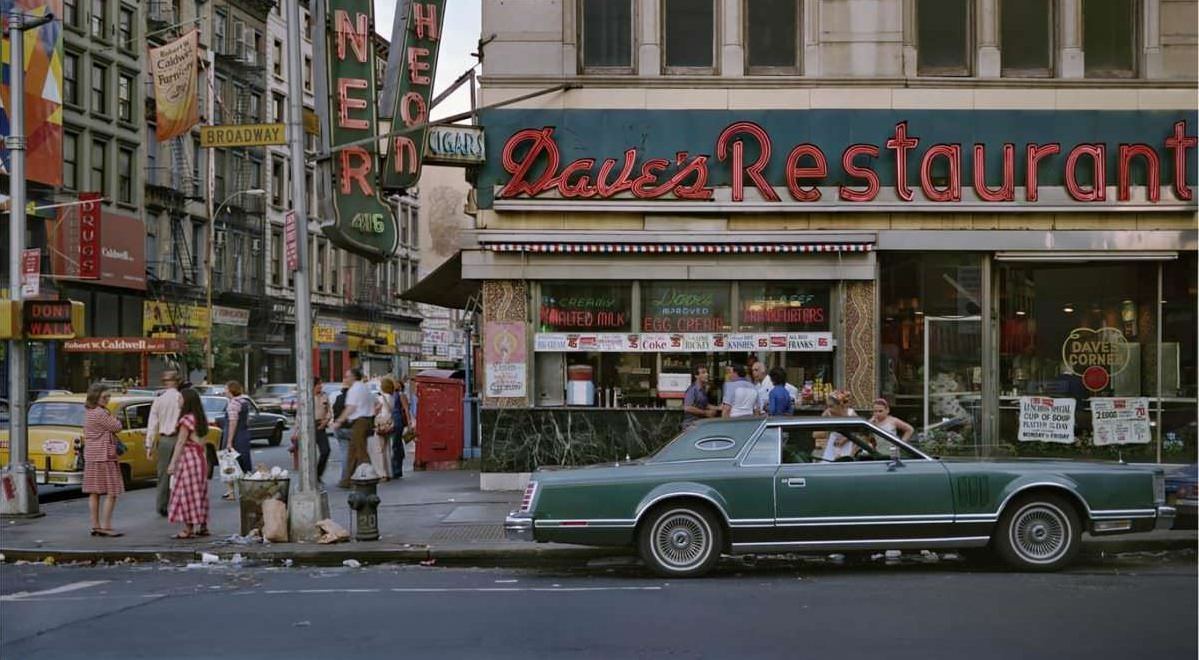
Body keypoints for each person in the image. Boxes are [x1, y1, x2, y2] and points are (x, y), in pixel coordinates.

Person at [167, 388, 211, 539]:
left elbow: (180, 442)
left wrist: (172, 463)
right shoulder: (200, 418)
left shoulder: (186, 419)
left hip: (188, 458)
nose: (178, 401)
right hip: (199, 458)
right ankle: (203, 525)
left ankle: (188, 528)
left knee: (186, 493)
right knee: (199, 492)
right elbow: (203, 443)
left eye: (180, 398)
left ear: (186, 401)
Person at [83, 384, 124, 537]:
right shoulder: (101, 413)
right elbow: (117, 427)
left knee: (94, 492)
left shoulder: (88, 412)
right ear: (96, 397)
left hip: (92, 456)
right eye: (104, 397)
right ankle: (106, 526)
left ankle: (95, 525)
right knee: (112, 492)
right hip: (104, 456)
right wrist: (115, 418)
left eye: (108, 397)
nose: (107, 399)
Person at [145, 369, 183, 517]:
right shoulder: (181, 398)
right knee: (180, 474)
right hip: (180, 437)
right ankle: (178, 504)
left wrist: (149, 445)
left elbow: (152, 424)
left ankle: (162, 506)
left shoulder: (159, 400)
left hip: (164, 439)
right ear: (177, 382)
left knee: (163, 475)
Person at [329, 368, 374, 488]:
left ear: (354, 377)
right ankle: (347, 480)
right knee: (353, 452)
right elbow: (375, 404)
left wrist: (339, 421)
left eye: (348, 376)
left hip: (360, 422)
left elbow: (350, 407)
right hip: (365, 421)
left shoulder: (355, 389)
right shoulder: (365, 388)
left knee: (360, 450)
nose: (346, 379)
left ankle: (369, 476)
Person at [222, 381, 252, 500]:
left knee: (229, 463)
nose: (224, 391)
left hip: (235, 436)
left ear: (230, 390)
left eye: (225, 388)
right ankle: (245, 490)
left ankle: (231, 491)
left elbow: (232, 422)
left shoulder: (233, 404)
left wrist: (229, 441)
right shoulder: (244, 402)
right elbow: (247, 420)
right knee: (243, 462)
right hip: (244, 434)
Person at [369, 378, 396, 481]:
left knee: (378, 450)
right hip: (388, 423)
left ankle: (381, 473)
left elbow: (375, 411)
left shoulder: (380, 398)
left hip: (380, 423)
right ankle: (389, 472)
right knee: (387, 448)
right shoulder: (392, 398)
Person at [819, 390, 859, 462]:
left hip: (848, 442)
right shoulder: (828, 414)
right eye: (827, 406)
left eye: (831, 406)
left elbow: (858, 431)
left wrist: (846, 438)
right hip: (833, 442)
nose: (829, 409)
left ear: (840, 405)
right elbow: (818, 428)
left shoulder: (851, 414)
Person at [390, 378, 412, 478]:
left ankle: (397, 468)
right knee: (396, 444)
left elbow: (406, 409)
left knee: (396, 444)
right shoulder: (390, 394)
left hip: (398, 420)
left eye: (396, 383)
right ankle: (395, 467)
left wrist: (409, 423)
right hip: (392, 420)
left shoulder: (401, 394)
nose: (394, 385)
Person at [313, 376, 331, 481]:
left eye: (321, 384)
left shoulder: (324, 396)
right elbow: (299, 414)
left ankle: (318, 474)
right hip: (310, 425)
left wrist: (326, 421)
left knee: (325, 450)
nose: (320, 386)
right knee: (309, 453)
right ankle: (310, 475)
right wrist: (296, 430)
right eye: (318, 384)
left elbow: (329, 411)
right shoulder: (307, 396)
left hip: (321, 425)